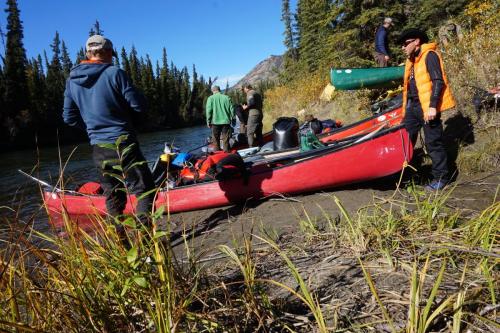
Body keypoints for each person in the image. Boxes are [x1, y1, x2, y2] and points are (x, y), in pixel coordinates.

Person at [63, 35, 155, 226]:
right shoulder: (115, 73)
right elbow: (138, 106)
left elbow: (69, 117)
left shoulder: (71, 81)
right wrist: (132, 123)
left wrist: (92, 130)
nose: (113, 57)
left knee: (113, 197)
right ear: (105, 52)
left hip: (99, 147)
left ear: (89, 53)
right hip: (123, 142)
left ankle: (121, 246)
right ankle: (147, 246)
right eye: (111, 54)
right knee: (145, 189)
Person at [399, 28, 456, 191]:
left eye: (405, 43)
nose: (403, 47)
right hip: (413, 107)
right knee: (405, 139)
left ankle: (441, 178)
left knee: (433, 143)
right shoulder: (411, 61)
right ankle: (406, 173)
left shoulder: (429, 56)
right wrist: (407, 110)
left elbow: (439, 81)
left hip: (427, 106)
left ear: (416, 42)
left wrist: (432, 107)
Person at [205, 85, 234, 152]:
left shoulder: (210, 98)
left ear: (213, 91)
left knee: (215, 139)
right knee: (226, 139)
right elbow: (232, 109)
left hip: (215, 122)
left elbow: (208, 111)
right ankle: (227, 153)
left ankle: (217, 153)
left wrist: (208, 121)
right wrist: (233, 118)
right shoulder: (227, 97)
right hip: (226, 121)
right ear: (219, 90)